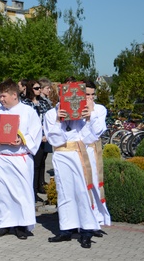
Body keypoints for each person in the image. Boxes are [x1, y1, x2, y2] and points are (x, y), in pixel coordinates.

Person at [44, 81, 108, 248]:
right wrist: (59, 120)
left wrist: (89, 117)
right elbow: (54, 139)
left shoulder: (89, 111)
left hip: (80, 155)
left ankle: (87, 230)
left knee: (82, 192)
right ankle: (66, 228)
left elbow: (92, 136)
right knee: (64, 192)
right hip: (61, 155)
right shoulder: (51, 114)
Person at [0, 79, 42, 239]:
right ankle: (5, 224)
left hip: (20, 157)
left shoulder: (28, 112)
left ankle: (22, 226)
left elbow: (35, 132)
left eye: (3, 96)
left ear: (13, 95)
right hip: (2, 157)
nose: (0, 99)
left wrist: (22, 140)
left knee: (21, 193)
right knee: (3, 192)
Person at [84, 80, 111, 235]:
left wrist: (92, 114)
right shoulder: (76, 110)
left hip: (92, 151)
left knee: (94, 184)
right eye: (87, 95)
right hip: (77, 151)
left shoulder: (100, 109)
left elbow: (98, 131)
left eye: (93, 95)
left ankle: (96, 220)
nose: (90, 98)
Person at [22, 79, 53, 202]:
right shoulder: (25, 104)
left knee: (40, 164)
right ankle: (31, 191)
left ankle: (37, 188)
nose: (39, 90)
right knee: (32, 166)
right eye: (36, 88)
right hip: (31, 138)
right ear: (30, 89)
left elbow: (48, 119)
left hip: (43, 137)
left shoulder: (44, 103)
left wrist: (46, 134)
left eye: (40, 88)